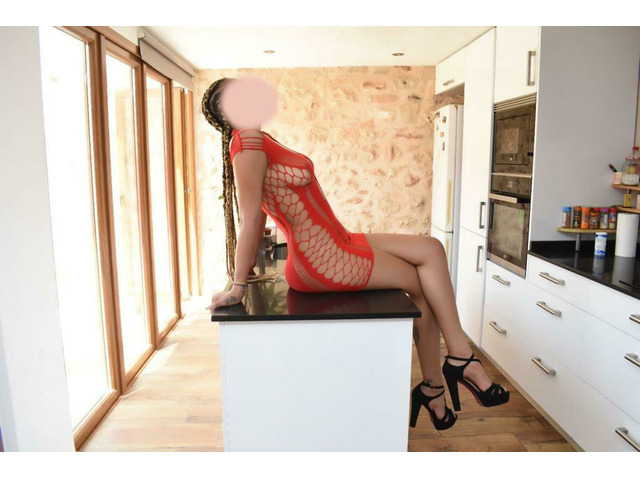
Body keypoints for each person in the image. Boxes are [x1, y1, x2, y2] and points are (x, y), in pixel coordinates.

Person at [201, 77, 509, 431]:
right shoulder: (247, 140)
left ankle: (454, 361)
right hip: (323, 259)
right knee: (420, 284)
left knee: (431, 249)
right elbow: (252, 218)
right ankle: (443, 380)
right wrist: (238, 286)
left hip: (338, 240)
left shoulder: (259, 139)